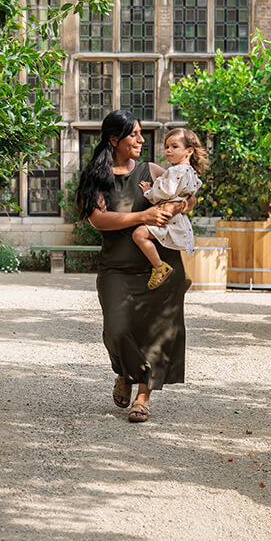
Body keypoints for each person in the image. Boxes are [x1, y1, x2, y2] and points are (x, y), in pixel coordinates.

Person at [75, 111, 196, 423]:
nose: (142, 140)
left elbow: (188, 196)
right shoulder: (96, 176)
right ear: (115, 139)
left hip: (162, 266)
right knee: (117, 330)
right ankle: (124, 373)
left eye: (142, 133)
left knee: (158, 333)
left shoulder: (152, 170)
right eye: (134, 135)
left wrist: (179, 206)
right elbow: (98, 218)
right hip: (116, 268)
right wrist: (143, 216)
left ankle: (143, 395)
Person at [133, 128, 207, 290]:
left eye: (174, 147)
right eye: (167, 147)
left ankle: (160, 268)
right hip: (178, 218)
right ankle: (180, 274)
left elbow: (165, 192)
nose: (169, 151)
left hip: (168, 217)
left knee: (139, 235)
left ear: (189, 151)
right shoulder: (191, 172)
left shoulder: (175, 171)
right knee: (171, 245)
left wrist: (148, 191)